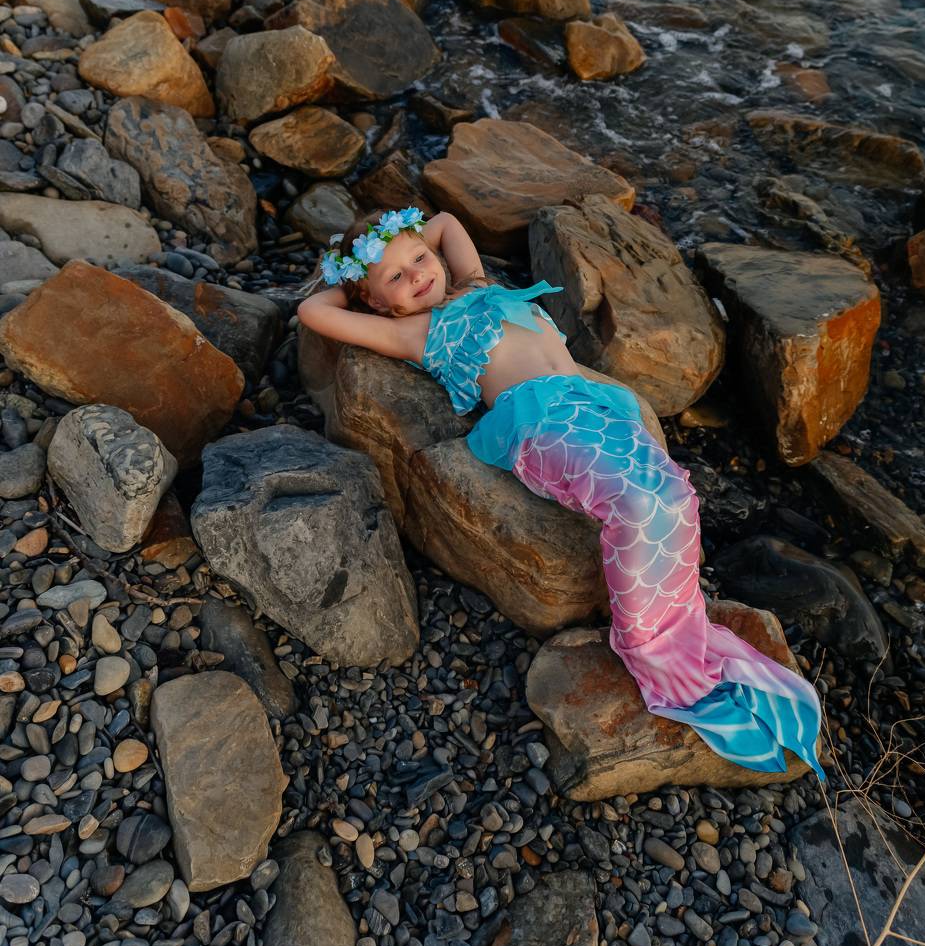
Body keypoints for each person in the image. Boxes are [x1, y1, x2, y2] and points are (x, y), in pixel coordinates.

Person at [296, 205, 824, 779]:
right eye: (396, 278)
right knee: (637, 507)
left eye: (420, 259)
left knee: (676, 495)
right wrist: (355, 271)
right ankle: (647, 644)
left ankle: (681, 625)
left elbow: (445, 220)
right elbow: (312, 310)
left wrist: (390, 249)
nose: (419, 273)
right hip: (542, 425)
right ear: (378, 304)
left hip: (595, 407)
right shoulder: (410, 331)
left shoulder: (475, 283)